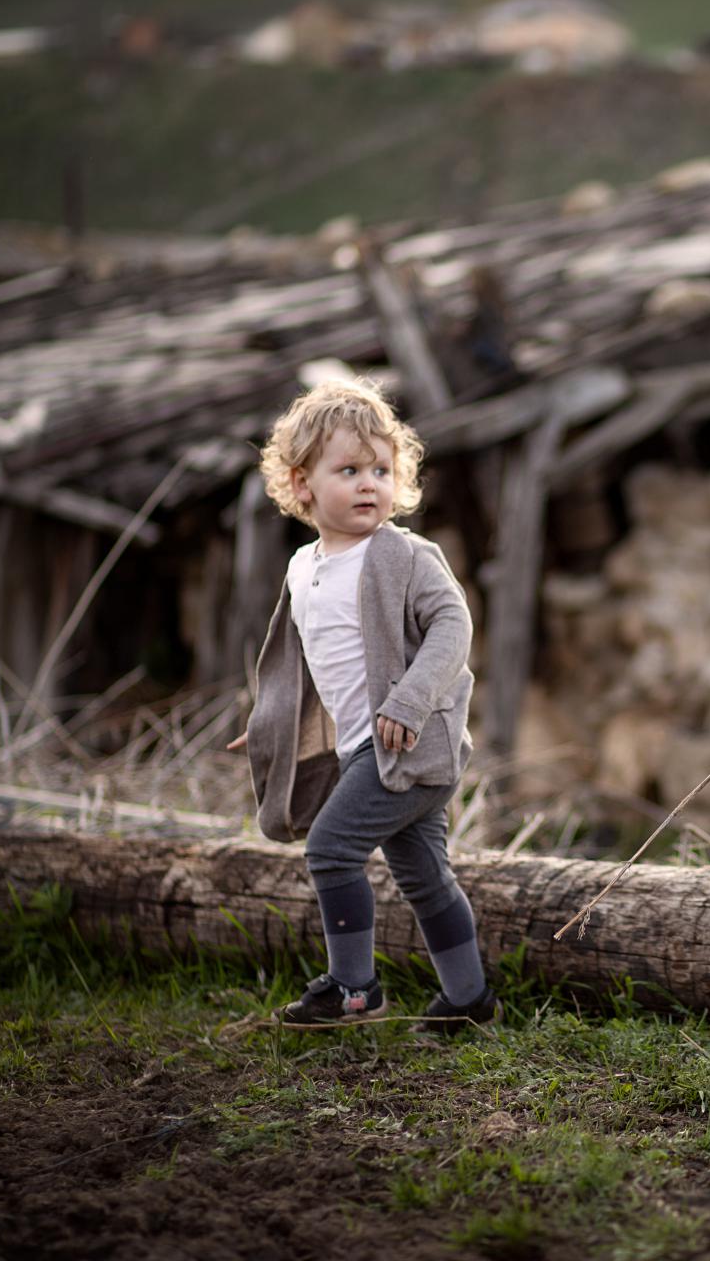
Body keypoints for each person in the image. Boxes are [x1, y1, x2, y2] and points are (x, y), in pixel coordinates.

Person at [226, 377, 494, 1031]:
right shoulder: (303, 568)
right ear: (301, 484)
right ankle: (469, 1000)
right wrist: (267, 725)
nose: (370, 482)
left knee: (331, 849)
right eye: (349, 470)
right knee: (425, 877)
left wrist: (407, 703)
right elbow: (303, 663)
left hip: (408, 743)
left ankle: (354, 988)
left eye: (381, 468)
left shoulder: (403, 555)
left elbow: (453, 629)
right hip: (364, 751)